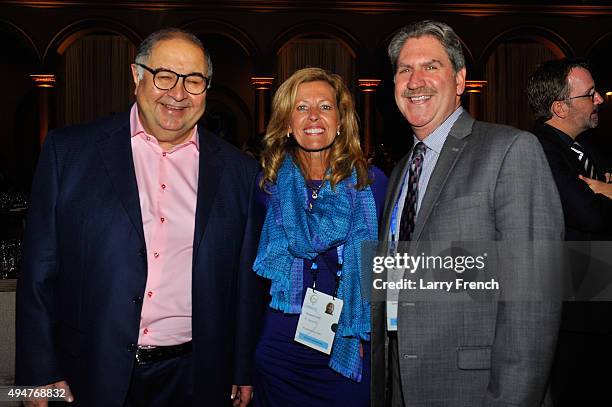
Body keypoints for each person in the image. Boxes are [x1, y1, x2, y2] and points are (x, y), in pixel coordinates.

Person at [15, 28, 266, 407]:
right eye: (165, 76)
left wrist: (242, 369)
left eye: (194, 81)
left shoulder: (239, 173)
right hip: (90, 371)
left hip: (197, 375)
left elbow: (245, 285)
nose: (178, 93)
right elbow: (38, 270)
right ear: (137, 76)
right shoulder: (68, 154)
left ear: (207, 88)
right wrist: (38, 373)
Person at [371, 20, 564, 406]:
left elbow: (533, 298)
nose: (415, 80)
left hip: (476, 391)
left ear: (460, 80)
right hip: (403, 384)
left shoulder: (510, 150)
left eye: (431, 66)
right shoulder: (399, 173)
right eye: (404, 70)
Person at [252, 67, 387, 407]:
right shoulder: (266, 189)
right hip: (281, 349)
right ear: (286, 123)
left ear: (341, 121)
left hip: (348, 342)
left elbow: (388, 274)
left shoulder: (370, 185)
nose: (314, 116)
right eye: (301, 108)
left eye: (325, 107)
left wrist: (370, 332)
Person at [527, 58, 612, 406]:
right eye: (590, 94)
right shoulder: (540, 150)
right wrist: (602, 193)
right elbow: (588, 215)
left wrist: (604, 191)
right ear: (560, 107)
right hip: (576, 309)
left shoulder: (590, 148)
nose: (600, 99)